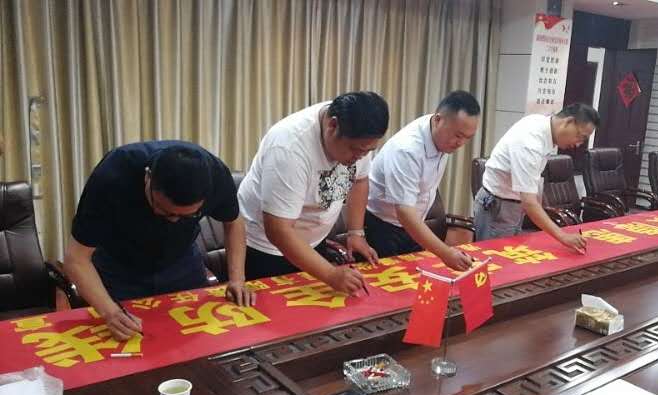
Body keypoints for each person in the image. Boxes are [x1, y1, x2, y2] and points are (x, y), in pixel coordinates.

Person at [64, 141, 254, 341]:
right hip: (120, 268)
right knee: (129, 341)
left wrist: (237, 279)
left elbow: (233, 222)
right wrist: (110, 312)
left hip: (182, 262)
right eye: (165, 211)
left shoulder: (216, 175)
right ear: (147, 177)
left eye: (187, 215)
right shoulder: (113, 176)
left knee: (195, 338)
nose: (173, 220)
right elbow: (76, 259)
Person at [238, 91, 388, 295]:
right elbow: (278, 230)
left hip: (311, 241)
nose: (360, 156)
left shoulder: (357, 134)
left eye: (368, 151)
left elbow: (360, 180)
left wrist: (356, 233)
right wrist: (331, 274)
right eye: (356, 150)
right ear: (332, 126)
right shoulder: (289, 148)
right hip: (267, 248)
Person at [365, 91, 480, 271]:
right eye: (458, 135)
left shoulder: (441, 135)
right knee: (388, 281)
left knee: (416, 278)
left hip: (413, 225)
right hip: (383, 228)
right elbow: (404, 212)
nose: (461, 143)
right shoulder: (407, 150)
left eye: (468, 138)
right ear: (438, 120)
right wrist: (445, 252)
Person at [473, 103, 599, 252]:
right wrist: (563, 236)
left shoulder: (542, 127)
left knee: (510, 257)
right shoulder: (530, 142)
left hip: (512, 204)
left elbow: (532, 185)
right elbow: (529, 202)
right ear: (568, 122)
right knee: (496, 260)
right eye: (580, 136)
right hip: (499, 207)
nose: (578, 144)